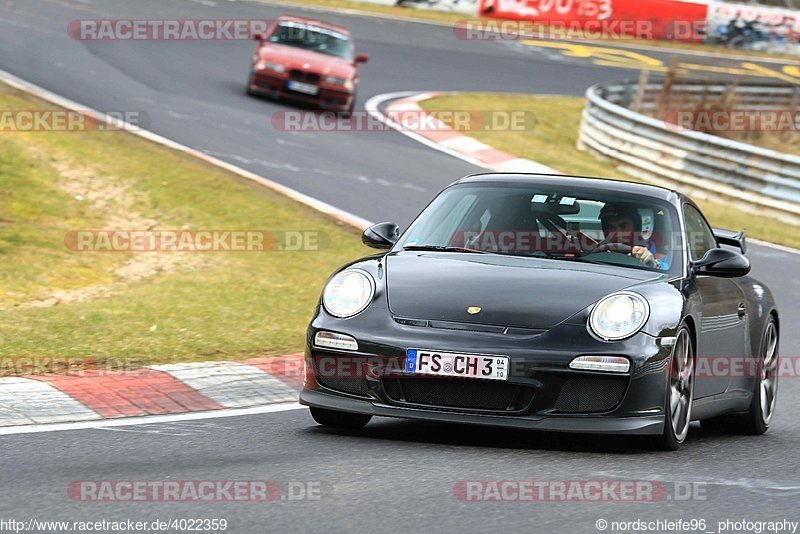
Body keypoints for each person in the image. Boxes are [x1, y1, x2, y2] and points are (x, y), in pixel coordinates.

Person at [598, 203, 670, 270]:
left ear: (637, 228)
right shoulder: (601, 253)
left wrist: (654, 264)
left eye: (624, 227)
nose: (618, 234)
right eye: (612, 228)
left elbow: (671, 274)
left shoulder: (662, 258)